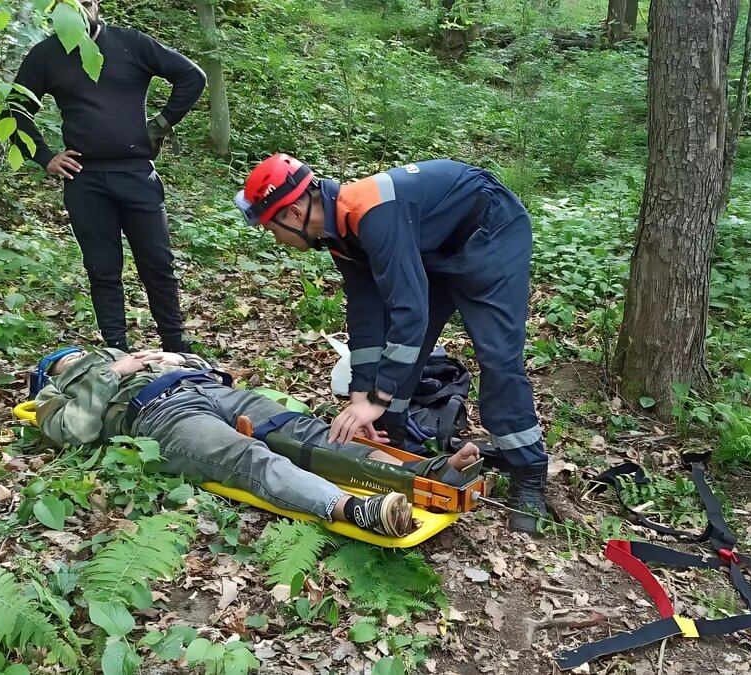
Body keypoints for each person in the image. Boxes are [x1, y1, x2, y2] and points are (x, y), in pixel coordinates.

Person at [233, 155, 549, 535]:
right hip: (430, 246)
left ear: (295, 211)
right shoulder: (339, 235)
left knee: (498, 355)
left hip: (488, 234)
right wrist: (361, 396)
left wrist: (378, 397)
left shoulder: (373, 214)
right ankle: (396, 451)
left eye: (270, 227)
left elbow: (410, 314)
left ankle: (529, 471)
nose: (274, 237)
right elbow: (367, 315)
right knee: (396, 350)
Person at [31, 347, 481, 538]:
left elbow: (213, 367)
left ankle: (426, 472)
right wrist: (113, 373)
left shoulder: (130, 354)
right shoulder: (57, 391)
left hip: (208, 390)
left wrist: (176, 358)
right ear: (55, 370)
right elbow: (75, 431)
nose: (80, 354)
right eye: (68, 358)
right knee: (248, 457)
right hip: (160, 413)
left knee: (307, 431)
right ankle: (356, 510)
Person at [8, 0, 205, 353]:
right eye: (70, 4)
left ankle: (176, 347)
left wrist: (159, 126)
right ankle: (116, 349)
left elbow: (192, 76)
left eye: (86, 2)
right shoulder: (46, 55)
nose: (81, 10)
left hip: (136, 174)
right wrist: (44, 156)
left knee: (157, 263)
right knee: (102, 268)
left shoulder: (131, 43)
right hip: (85, 180)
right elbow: (14, 111)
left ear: (97, 4)